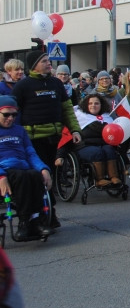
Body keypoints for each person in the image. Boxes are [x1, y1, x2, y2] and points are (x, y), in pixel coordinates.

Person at [13, 50, 81, 229]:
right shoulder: (23, 86)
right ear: (34, 64)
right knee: (41, 176)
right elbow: (13, 114)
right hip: (32, 139)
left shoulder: (56, 83)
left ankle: (48, 213)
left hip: (54, 137)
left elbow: (67, 109)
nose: (48, 63)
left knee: (49, 175)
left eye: (48, 60)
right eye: (44, 61)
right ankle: (45, 215)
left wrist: (75, 130)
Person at [0, 97, 53, 240]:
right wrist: (1, 176)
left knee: (35, 175)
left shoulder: (20, 130)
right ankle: (24, 222)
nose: (10, 118)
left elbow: (30, 153)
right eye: (6, 114)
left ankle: (36, 221)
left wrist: (43, 169)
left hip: (23, 166)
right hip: (5, 169)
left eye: (14, 115)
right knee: (22, 177)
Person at [75, 93, 123, 187]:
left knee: (109, 150)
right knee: (97, 152)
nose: (93, 105)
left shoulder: (107, 117)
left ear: (101, 105)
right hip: (85, 146)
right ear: (86, 105)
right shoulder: (80, 117)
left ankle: (113, 177)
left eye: (96, 103)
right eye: (90, 103)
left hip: (103, 145)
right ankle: (99, 179)